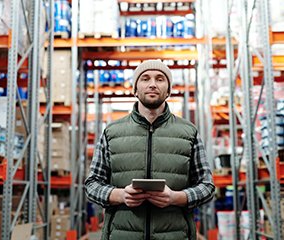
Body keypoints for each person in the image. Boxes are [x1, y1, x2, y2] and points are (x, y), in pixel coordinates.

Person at [84, 60, 215, 240]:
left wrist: (175, 197)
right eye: (145, 78)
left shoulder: (189, 132)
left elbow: (207, 186)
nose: (152, 84)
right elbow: (92, 185)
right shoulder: (111, 132)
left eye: (160, 79)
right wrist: (121, 195)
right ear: (135, 89)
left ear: (168, 90)